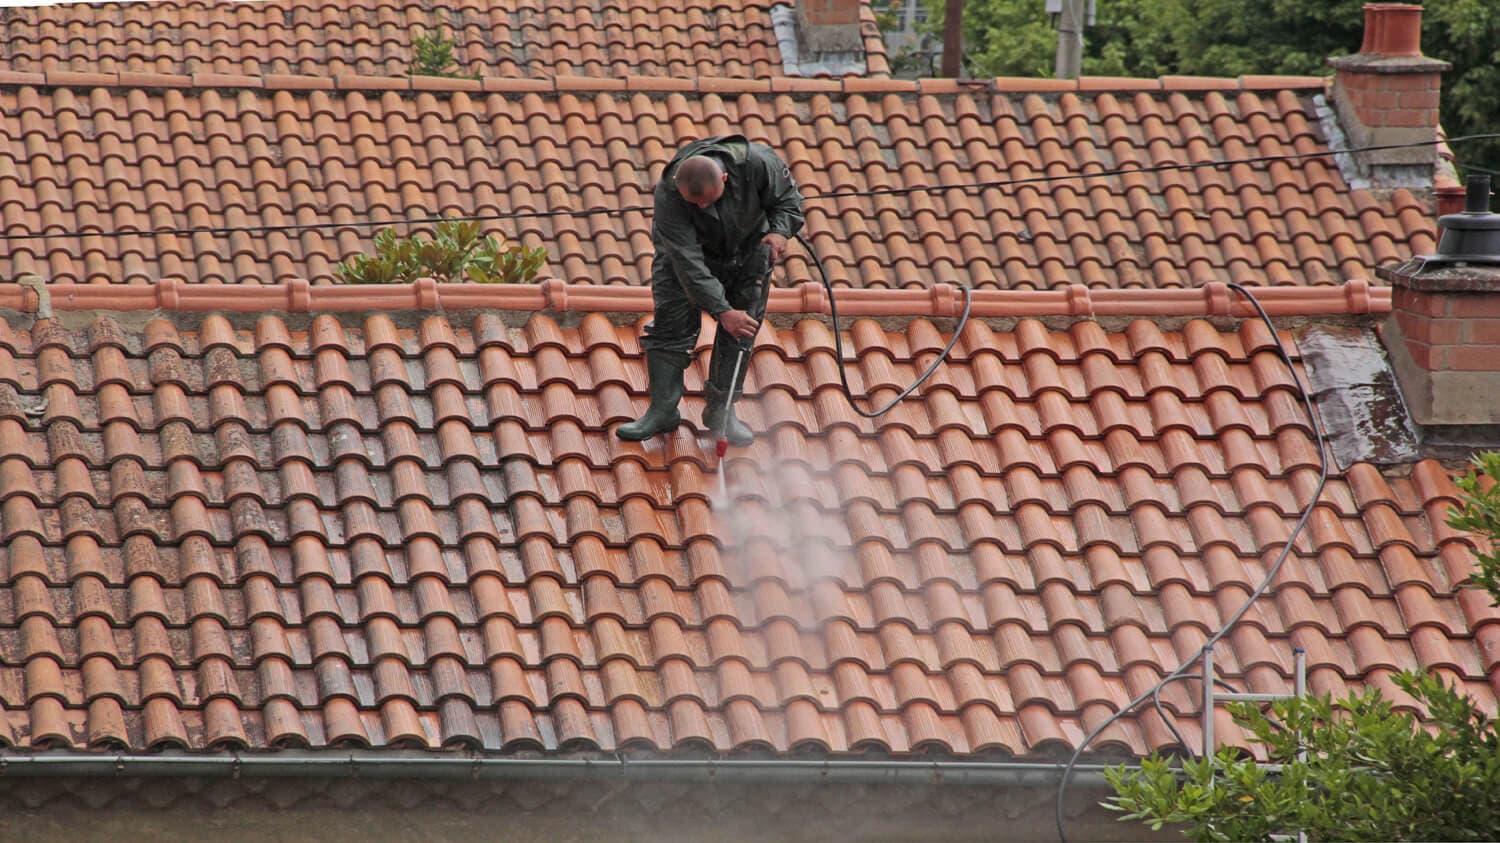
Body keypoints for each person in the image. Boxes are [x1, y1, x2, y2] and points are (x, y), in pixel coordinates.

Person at [615, 135, 805, 446]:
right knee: (670, 325)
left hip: (748, 255)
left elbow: (788, 201)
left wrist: (780, 232)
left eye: (709, 200)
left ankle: (721, 411)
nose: (703, 207)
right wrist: (720, 309)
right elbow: (689, 264)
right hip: (684, 262)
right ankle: (662, 410)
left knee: (741, 329)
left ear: (726, 178)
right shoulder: (669, 194)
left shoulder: (759, 163)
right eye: (696, 203)